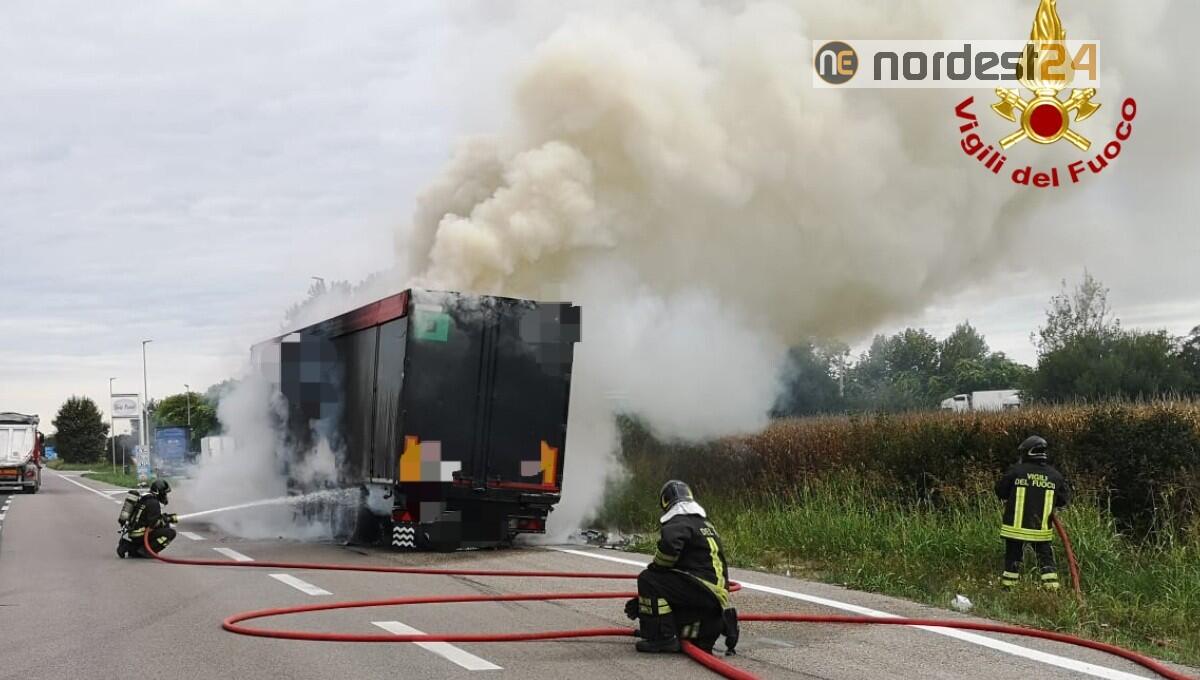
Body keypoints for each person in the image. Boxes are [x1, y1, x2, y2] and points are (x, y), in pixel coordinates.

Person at [625, 480, 738, 655]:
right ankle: (663, 629)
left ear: (665, 501)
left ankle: (665, 637)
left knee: (648, 579)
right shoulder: (703, 523)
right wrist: (644, 607)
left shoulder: (679, 520)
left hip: (703, 591)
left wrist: (656, 568)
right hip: (711, 606)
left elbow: (669, 548)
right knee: (656, 586)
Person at [995, 436, 1071, 589]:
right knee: (1046, 561)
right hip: (1040, 530)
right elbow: (1063, 500)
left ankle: (1008, 590)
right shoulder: (1055, 475)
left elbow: (1000, 492)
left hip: (1015, 530)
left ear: (1026, 453)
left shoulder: (1016, 471)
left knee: (1012, 561)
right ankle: (1052, 590)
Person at [117, 479, 179, 559]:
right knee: (170, 533)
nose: (165, 496)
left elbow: (147, 517)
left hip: (132, 533)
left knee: (165, 525)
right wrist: (168, 519)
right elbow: (153, 524)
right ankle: (147, 551)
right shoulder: (154, 503)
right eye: (164, 493)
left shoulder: (144, 498)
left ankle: (129, 546)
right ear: (158, 492)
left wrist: (166, 517)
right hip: (140, 534)